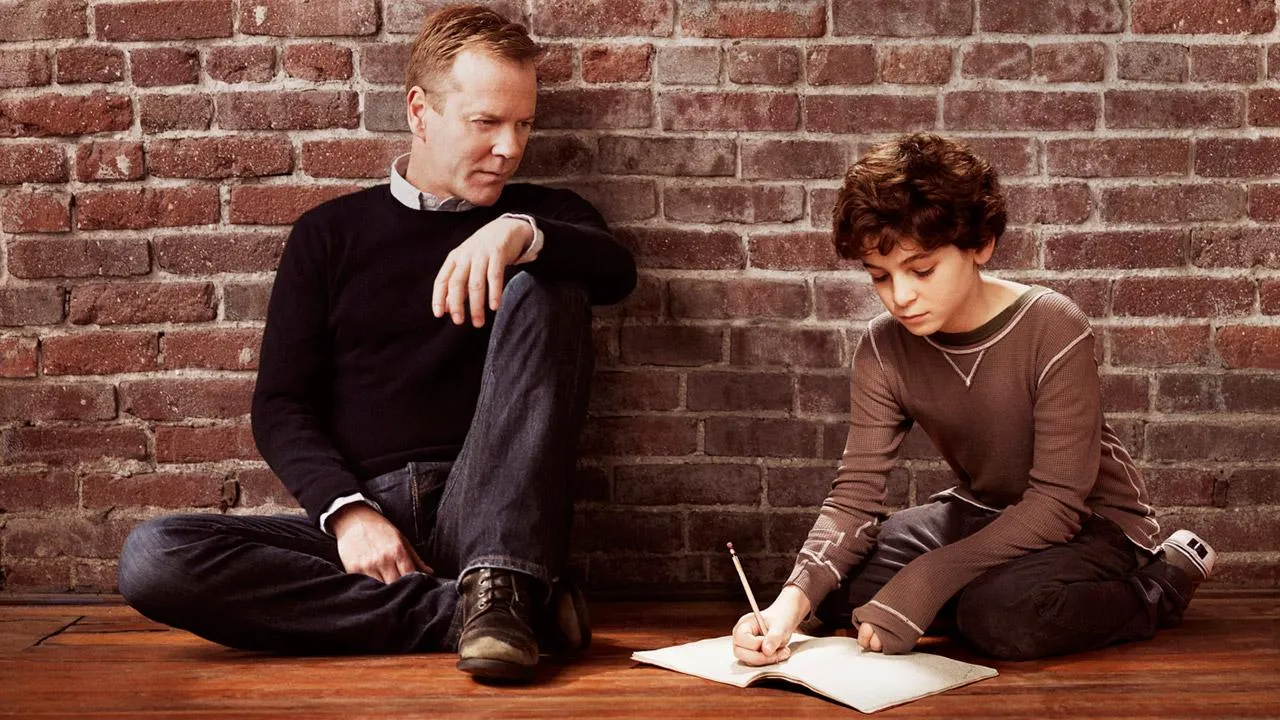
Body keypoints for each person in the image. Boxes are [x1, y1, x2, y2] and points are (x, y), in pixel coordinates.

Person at [117, 5, 636, 682]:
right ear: (420, 112)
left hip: (489, 509)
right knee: (154, 557)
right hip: (371, 518)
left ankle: (499, 580)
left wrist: (518, 233)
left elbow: (615, 271)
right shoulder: (328, 235)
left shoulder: (549, 217)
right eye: (486, 122)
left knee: (551, 282)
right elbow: (280, 405)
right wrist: (350, 515)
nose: (510, 148)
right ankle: (483, 611)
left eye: (523, 124)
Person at [732, 133, 1215, 664]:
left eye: (921, 270)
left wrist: (925, 581)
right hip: (984, 510)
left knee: (1000, 616)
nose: (900, 297)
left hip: (1092, 521)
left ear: (981, 244)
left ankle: (1158, 586)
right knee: (839, 588)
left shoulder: (1054, 325)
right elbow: (854, 498)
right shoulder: (882, 347)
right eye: (880, 277)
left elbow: (1057, 505)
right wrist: (786, 608)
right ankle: (981, 592)